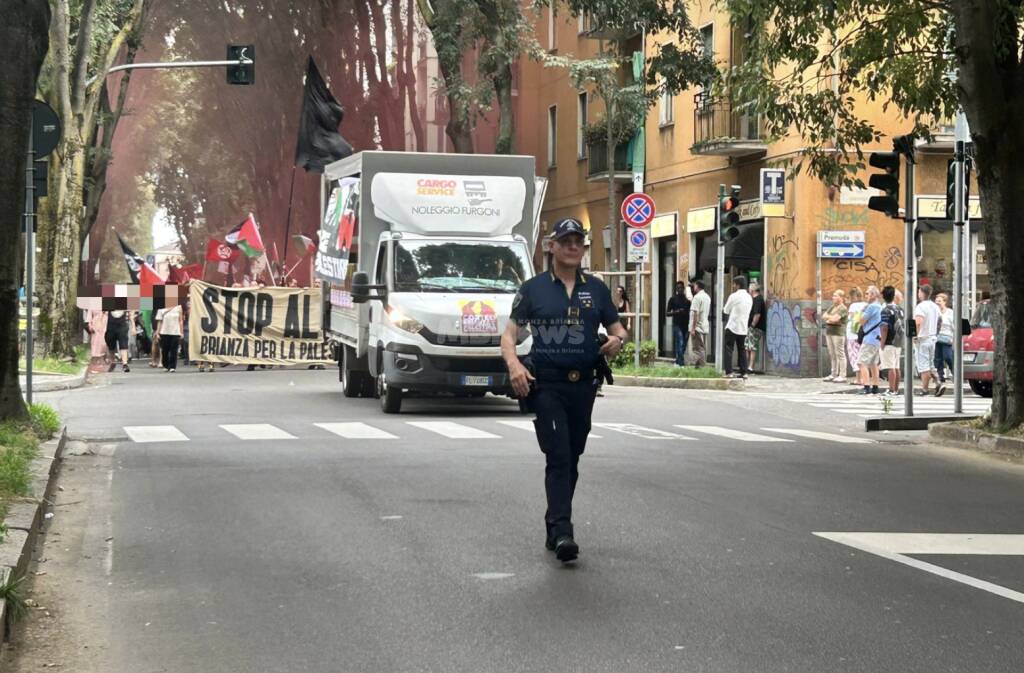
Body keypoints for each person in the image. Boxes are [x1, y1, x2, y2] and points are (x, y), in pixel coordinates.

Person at [502, 217, 627, 564]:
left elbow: (619, 330)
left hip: (584, 385)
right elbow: (509, 336)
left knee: (572, 456)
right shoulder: (533, 288)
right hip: (547, 384)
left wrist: (617, 340)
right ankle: (562, 531)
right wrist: (515, 366)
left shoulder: (597, 289)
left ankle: (553, 523)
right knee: (557, 454)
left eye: (579, 241)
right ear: (551, 246)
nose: (574, 246)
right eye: (566, 240)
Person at [913, 284, 945, 396]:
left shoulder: (921, 306)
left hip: (923, 338)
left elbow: (918, 322)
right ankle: (938, 382)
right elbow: (940, 321)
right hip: (932, 337)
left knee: (923, 366)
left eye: (919, 292)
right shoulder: (934, 306)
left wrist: (914, 336)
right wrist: (935, 333)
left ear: (922, 293)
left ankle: (925, 389)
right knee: (930, 364)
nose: (918, 294)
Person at [722, 275, 753, 378]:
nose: (733, 286)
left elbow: (726, 310)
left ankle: (729, 372)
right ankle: (744, 372)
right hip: (743, 327)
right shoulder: (749, 297)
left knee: (728, 349)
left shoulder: (734, 296)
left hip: (732, 326)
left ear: (738, 285)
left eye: (734, 284)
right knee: (742, 350)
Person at [878, 286, 904, 396]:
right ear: (894, 296)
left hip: (889, 341)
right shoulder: (900, 309)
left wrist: (882, 342)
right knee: (897, 366)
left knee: (890, 367)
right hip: (898, 341)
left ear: (883, 296)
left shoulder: (885, 310)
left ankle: (891, 389)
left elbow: (884, 328)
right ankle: (896, 389)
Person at [857, 285, 883, 395]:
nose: (865, 295)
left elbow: (861, 321)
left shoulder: (871, 307)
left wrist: (861, 312)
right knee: (874, 364)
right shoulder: (880, 306)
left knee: (862, 363)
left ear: (873, 295)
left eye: (867, 293)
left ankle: (866, 386)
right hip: (877, 338)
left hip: (869, 338)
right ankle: (875, 387)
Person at [822, 290, 848, 382]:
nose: (833, 297)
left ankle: (842, 375)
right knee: (832, 354)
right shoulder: (832, 307)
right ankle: (833, 374)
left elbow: (835, 319)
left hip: (838, 334)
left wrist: (830, 319)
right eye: (833, 296)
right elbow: (824, 315)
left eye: (835, 296)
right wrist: (830, 319)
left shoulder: (843, 308)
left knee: (840, 354)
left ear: (841, 298)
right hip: (829, 332)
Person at [666, 281, 691, 367]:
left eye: (681, 288)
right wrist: (677, 311)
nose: (680, 289)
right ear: (676, 289)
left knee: (684, 344)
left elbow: (690, 313)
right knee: (680, 342)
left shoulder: (687, 301)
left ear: (683, 289)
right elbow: (667, 313)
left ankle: (677, 361)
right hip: (677, 324)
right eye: (678, 288)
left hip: (686, 325)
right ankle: (681, 363)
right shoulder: (672, 299)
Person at [155, 302, 184, 372]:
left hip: (175, 332)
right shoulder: (160, 308)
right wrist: (157, 332)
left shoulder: (178, 307)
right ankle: (166, 365)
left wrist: (181, 332)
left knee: (174, 350)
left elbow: (180, 320)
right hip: (164, 331)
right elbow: (159, 321)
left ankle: (172, 366)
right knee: (165, 350)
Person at [845, 287, 866, 383]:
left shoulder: (853, 306)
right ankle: (863, 378)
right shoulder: (866, 305)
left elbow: (851, 318)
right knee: (861, 355)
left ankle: (858, 379)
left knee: (854, 355)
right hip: (863, 333)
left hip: (852, 333)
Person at [934, 292, 955, 387]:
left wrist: (954, 338)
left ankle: (955, 372)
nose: (937, 302)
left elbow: (954, 326)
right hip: (936, 338)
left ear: (945, 302)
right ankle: (940, 376)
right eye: (936, 301)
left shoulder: (950, 313)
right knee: (938, 359)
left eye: (939, 301)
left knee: (948, 357)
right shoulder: (934, 312)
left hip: (947, 338)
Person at [689, 279, 711, 367]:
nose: (693, 287)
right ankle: (698, 366)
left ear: (697, 286)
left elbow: (696, 314)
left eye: (694, 285)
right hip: (704, 325)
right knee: (701, 347)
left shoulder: (697, 297)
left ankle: (701, 366)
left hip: (697, 326)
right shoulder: (707, 297)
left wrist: (693, 328)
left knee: (698, 348)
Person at [745, 282, 766, 372]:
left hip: (755, 327)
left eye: (749, 289)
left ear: (752, 290)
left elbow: (757, 314)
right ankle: (747, 366)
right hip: (754, 327)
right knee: (747, 346)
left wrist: (752, 326)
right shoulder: (756, 299)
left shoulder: (757, 299)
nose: (748, 290)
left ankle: (750, 367)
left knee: (751, 346)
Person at [104, 309, 131, 373]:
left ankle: (125, 364)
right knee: (110, 344)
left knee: (123, 343)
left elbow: (131, 313)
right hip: (110, 326)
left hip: (122, 325)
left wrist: (133, 326)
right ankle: (112, 362)